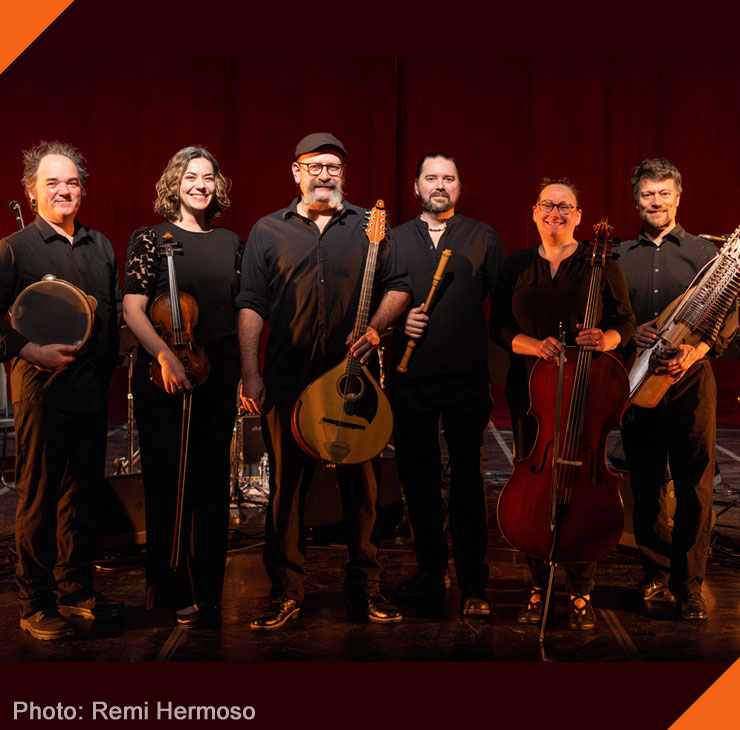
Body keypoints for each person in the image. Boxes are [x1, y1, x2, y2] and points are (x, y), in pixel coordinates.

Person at [238, 132, 411, 630]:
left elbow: (399, 287)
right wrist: (250, 373)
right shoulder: (267, 230)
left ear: (343, 175)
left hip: (353, 381)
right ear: (296, 172)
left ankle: (366, 589)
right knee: (286, 493)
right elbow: (251, 303)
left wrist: (376, 327)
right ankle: (286, 592)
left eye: (333, 167)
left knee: (364, 492)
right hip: (288, 381)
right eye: (314, 166)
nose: (324, 175)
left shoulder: (369, 227)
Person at [495, 178, 635, 630]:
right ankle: (537, 587)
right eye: (547, 205)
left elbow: (625, 322)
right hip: (533, 394)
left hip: (586, 393)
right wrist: (533, 346)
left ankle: (580, 591)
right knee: (534, 491)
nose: (555, 213)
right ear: (534, 212)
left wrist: (606, 338)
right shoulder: (516, 264)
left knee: (582, 490)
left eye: (565, 206)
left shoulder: (601, 264)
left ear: (578, 216)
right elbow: (497, 326)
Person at [0, 141, 123, 640]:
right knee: (38, 497)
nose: (63, 190)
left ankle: (76, 590)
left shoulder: (101, 246)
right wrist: (30, 351)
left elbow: (113, 312)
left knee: (82, 496)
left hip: (90, 389)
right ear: (31, 192)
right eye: (51, 182)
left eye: (71, 182)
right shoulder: (15, 248)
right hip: (40, 390)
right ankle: (35, 603)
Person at [122, 146, 243, 628]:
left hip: (219, 371)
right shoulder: (150, 239)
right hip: (164, 374)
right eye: (190, 176)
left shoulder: (232, 242)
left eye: (208, 177)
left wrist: (245, 372)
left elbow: (240, 311)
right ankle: (170, 589)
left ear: (218, 185)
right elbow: (133, 308)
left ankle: (209, 589)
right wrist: (165, 356)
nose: (200, 185)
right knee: (169, 483)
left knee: (212, 482)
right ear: (174, 183)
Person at [619, 158, 737, 620]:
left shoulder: (706, 256)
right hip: (638, 382)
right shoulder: (619, 257)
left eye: (664, 193)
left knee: (695, 486)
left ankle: (688, 584)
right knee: (645, 483)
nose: (656, 202)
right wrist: (631, 333)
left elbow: (730, 319)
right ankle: (655, 568)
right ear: (636, 200)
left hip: (691, 381)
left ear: (678, 197)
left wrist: (697, 350)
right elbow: (611, 318)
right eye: (648, 194)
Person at [390, 152, 505, 616]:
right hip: (410, 379)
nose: (440, 185)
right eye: (431, 178)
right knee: (418, 481)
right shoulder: (393, 239)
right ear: (416, 186)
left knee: (467, 482)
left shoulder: (483, 237)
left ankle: (474, 583)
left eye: (449, 178)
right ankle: (430, 573)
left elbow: (503, 309)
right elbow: (375, 303)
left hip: (466, 379)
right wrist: (399, 324)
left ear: (460, 186)